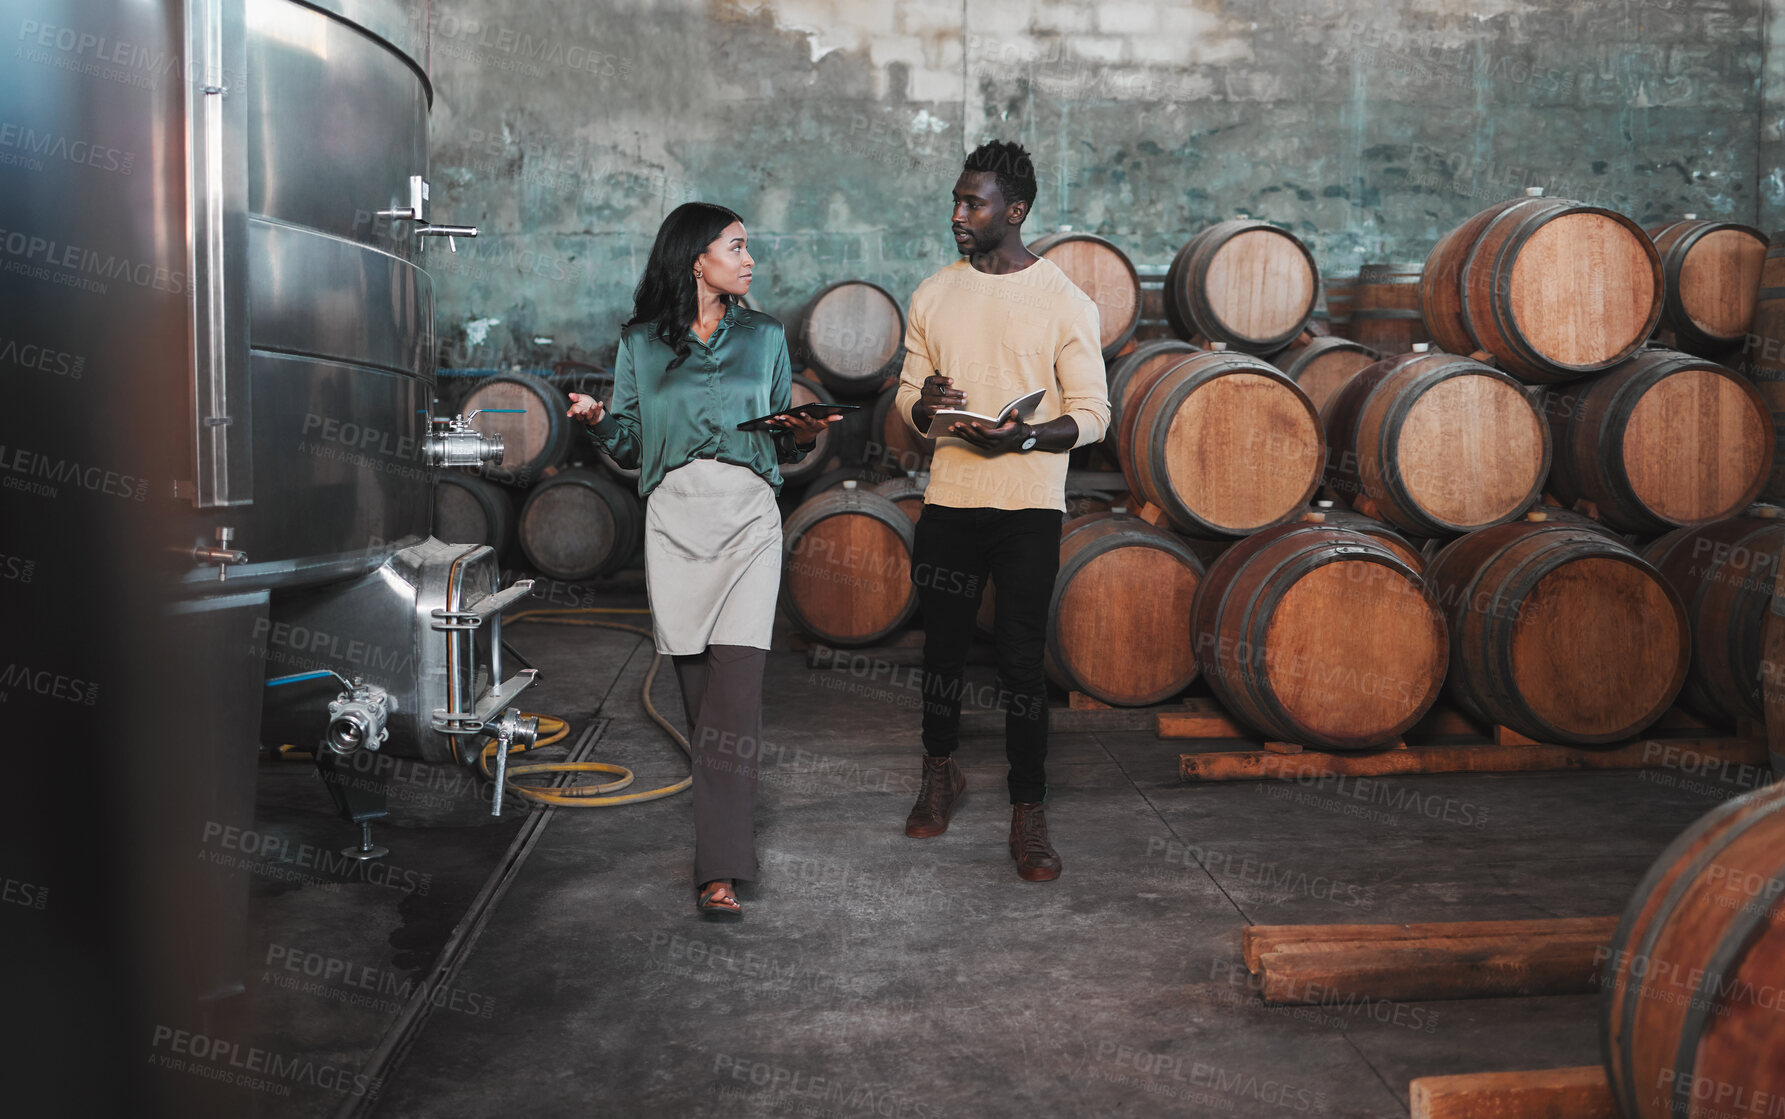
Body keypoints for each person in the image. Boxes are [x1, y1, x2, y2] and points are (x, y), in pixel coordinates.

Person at [567, 202, 839, 917]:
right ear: (696, 258)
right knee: (700, 705)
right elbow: (629, 444)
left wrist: (799, 431)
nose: (749, 261)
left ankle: (719, 867)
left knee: (736, 701)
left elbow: (780, 438)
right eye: (736, 247)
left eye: (748, 249)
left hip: (749, 519)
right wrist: (600, 423)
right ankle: (720, 841)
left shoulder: (767, 337)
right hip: (676, 524)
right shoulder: (641, 344)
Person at [893, 140, 1110, 882]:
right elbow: (906, 395)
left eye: (971, 202)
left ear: (1013, 212)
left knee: (1021, 660)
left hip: (1026, 507)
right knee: (943, 651)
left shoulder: (1065, 302)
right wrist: (923, 404)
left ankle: (1029, 808)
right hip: (950, 497)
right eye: (955, 199)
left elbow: (1092, 415)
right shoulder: (932, 293)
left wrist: (1023, 437)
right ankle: (940, 771)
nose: (956, 214)